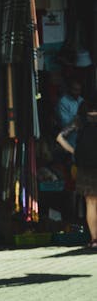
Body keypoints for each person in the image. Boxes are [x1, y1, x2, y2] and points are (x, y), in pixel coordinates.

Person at [56, 96, 97, 248]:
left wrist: (75, 151)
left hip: (84, 166)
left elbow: (60, 137)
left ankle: (94, 240)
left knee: (91, 203)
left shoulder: (80, 120)